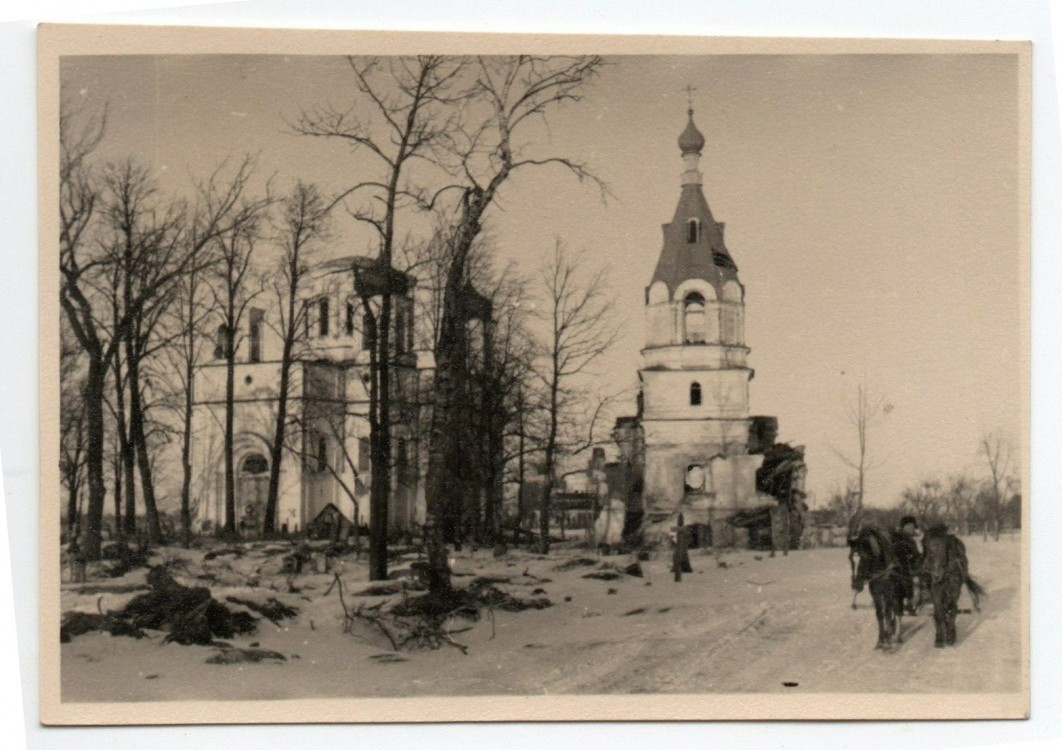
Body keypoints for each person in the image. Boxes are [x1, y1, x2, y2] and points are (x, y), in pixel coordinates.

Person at [893, 515, 923, 615]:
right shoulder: (903, 538)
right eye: (910, 526)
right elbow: (914, 555)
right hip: (904, 568)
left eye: (913, 526)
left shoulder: (909, 538)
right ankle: (910, 602)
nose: (913, 528)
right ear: (905, 527)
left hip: (905, 567)